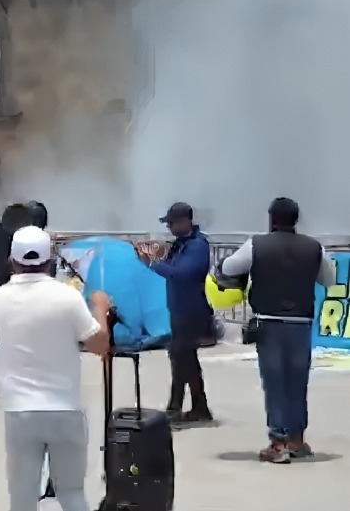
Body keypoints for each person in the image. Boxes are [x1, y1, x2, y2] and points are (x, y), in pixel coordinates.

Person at [0, 225, 111, 511]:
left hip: (20, 410)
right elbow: (99, 344)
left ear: (12, 260)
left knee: (22, 496)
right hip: (65, 408)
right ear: (49, 260)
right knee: (71, 493)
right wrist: (100, 309)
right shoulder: (67, 297)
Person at [220, 197, 336, 463]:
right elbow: (328, 279)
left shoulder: (257, 244)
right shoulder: (314, 247)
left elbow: (228, 267)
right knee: (297, 383)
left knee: (275, 383)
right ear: (296, 220)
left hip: (269, 322)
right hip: (301, 324)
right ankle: (297, 440)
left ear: (272, 218)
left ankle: (278, 443)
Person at [142, 202, 214, 423]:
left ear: (185, 222)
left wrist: (154, 264)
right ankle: (196, 407)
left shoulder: (197, 246)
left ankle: (179, 407)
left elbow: (183, 274)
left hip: (191, 311)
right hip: (178, 310)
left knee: (182, 358)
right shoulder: (181, 245)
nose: (170, 228)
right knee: (183, 359)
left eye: (172, 223)